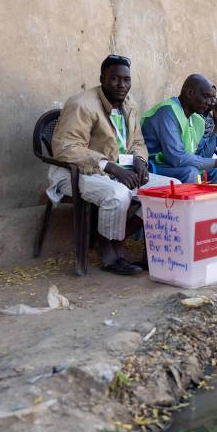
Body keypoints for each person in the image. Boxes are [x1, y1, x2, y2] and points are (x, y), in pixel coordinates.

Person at [49, 54, 179, 275]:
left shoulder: (129, 105)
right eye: (114, 79)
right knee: (118, 195)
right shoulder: (81, 104)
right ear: (102, 79)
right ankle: (108, 253)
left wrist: (139, 161)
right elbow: (66, 148)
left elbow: (137, 142)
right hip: (78, 172)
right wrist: (110, 167)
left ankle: (117, 240)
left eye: (126, 80)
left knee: (171, 188)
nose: (122, 85)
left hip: (119, 171)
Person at [141, 74, 217, 183]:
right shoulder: (167, 112)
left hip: (172, 165)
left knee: (215, 171)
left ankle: (209, 200)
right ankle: (186, 200)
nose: (209, 102)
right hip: (152, 167)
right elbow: (177, 158)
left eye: (212, 98)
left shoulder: (196, 120)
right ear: (190, 93)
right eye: (206, 96)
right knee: (190, 172)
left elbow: (203, 156)